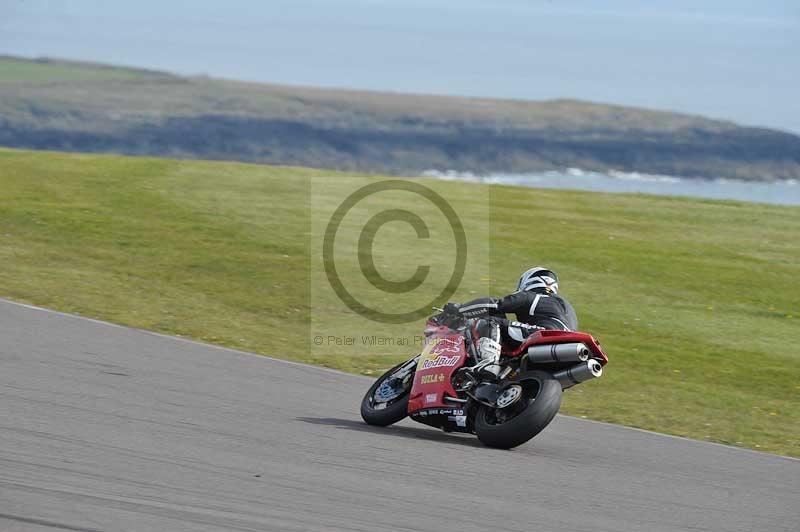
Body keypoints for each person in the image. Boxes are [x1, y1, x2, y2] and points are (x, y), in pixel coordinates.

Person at [444, 267, 578, 370]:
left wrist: (459, 309)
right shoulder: (567, 306)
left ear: (528, 281)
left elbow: (493, 304)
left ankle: (488, 364)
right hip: (567, 345)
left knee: (490, 321)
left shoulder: (532, 295)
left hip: (543, 334)